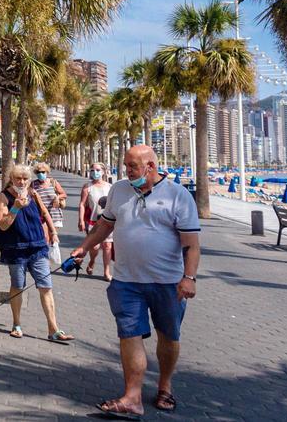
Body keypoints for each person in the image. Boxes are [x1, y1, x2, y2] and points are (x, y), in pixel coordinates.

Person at [72, 145, 201, 419]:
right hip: (126, 280)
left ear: (151, 166)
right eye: (126, 165)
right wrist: (84, 247)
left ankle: (165, 386)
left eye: (133, 166)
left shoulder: (178, 196)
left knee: (168, 336)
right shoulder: (119, 189)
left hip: (167, 282)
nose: (127, 171)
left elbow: (191, 244)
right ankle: (132, 397)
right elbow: (105, 224)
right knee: (129, 334)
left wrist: (189, 278)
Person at [0, 164, 74, 342]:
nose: (22, 182)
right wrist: (15, 207)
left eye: (25, 178)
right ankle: (16, 324)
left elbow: (45, 212)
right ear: (11, 179)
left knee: (46, 286)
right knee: (18, 287)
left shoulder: (33, 193)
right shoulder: (4, 196)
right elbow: (2, 224)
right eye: (18, 178)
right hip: (16, 249)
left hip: (38, 246)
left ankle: (53, 328)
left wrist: (53, 232)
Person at [78, 162, 114, 280]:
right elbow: (82, 204)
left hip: (108, 221)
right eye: (93, 170)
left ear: (103, 171)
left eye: (98, 170)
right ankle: (92, 261)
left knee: (108, 245)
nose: (95, 172)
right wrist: (81, 220)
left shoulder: (110, 187)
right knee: (94, 247)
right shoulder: (87, 187)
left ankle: (106, 272)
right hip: (93, 222)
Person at [32, 162, 68, 263]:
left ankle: (49, 257)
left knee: (52, 237)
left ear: (47, 172)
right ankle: (44, 261)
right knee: (45, 237)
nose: (40, 174)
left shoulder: (53, 182)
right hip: (41, 215)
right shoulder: (34, 184)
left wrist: (57, 197)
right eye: (38, 172)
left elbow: (64, 194)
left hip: (55, 215)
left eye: (43, 172)